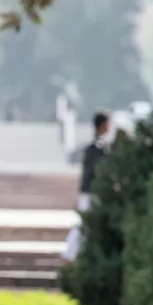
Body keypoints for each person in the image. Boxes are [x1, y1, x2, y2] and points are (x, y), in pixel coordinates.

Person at [62, 111, 112, 262]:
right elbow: (94, 172)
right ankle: (68, 255)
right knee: (83, 225)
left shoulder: (98, 147)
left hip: (91, 192)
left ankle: (75, 256)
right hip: (91, 192)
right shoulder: (97, 148)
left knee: (87, 226)